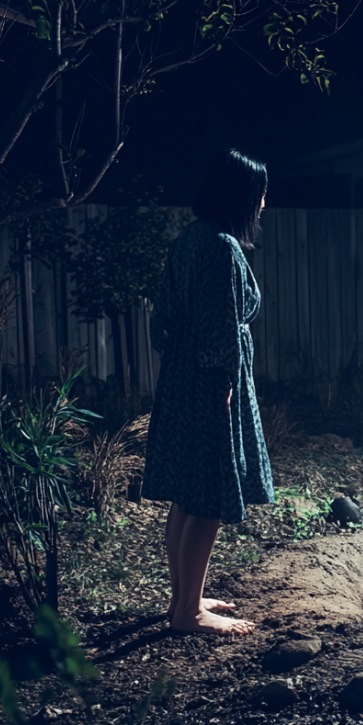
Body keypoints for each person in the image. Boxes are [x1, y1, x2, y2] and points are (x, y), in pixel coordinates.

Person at [142, 148, 275, 634]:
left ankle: (185, 598)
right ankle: (188, 613)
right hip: (209, 382)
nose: (264, 202)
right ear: (242, 195)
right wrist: (220, 384)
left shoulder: (190, 239)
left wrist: (183, 371)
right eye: (260, 193)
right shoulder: (221, 247)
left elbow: (162, 321)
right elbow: (218, 325)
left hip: (183, 375)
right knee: (209, 496)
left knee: (188, 491)